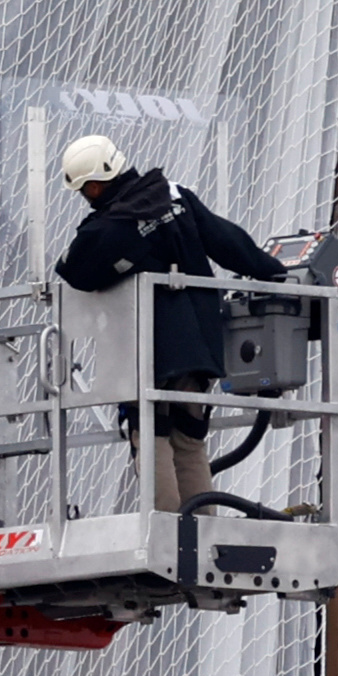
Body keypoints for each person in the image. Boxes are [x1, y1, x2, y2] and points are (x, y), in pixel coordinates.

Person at [51, 135, 286, 512]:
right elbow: (228, 243)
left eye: (86, 189)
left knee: (151, 432)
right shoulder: (176, 196)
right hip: (202, 346)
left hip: (150, 349)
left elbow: (75, 271)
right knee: (190, 438)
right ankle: (202, 528)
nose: (87, 196)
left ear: (95, 185)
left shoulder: (112, 226)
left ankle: (165, 531)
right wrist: (278, 274)